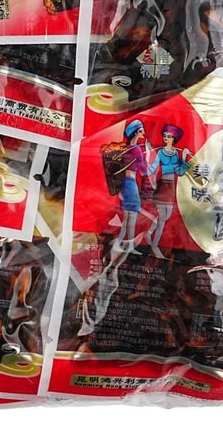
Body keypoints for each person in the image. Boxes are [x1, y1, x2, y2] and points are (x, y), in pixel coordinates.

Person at [79, 119, 150, 336]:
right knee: (131, 217)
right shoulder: (135, 150)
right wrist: (147, 154)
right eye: (141, 130)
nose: (143, 132)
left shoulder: (123, 149)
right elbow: (144, 169)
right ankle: (127, 245)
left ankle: (124, 244)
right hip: (131, 184)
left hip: (124, 186)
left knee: (128, 216)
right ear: (135, 133)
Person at [145, 123, 192, 257]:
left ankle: (148, 233)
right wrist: (148, 153)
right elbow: (152, 168)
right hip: (163, 187)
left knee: (165, 216)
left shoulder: (176, 153)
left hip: (172, 188)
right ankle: (155, 246)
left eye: (169, 136)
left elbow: (180, 172)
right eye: (165, 136)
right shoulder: (160, 152)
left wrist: (184, 156)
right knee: (162, 218)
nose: (166, 138)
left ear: (174, 138)